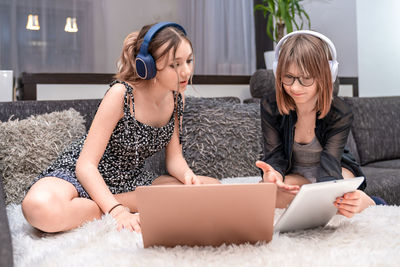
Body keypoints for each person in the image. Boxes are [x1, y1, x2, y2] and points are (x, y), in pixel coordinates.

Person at [22, 22, 219, 233]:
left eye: (189, 60)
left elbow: (174, 159)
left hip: (130, 180)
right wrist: (116, 211)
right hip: (86, 174)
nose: (186, 71)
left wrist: (187, 174)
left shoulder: (177, 99)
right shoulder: (121, 94)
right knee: (38, 208)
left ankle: (102, 204)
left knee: (214, 189)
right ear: (149, 65)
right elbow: (85, 165)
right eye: (175, 65)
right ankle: (107, 204)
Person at [255, 30, 382, 218]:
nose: (294, 87)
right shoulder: (270, 106)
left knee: (333, 197)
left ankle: (372, 202)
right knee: (263, 195)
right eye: (288, 76)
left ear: (325, 76)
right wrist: (274, 175)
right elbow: (275, 154)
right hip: (296, 170)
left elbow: (330, 164)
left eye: (305, 78)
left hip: (335, 168)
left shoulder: (340, 113)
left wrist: (325, 194)